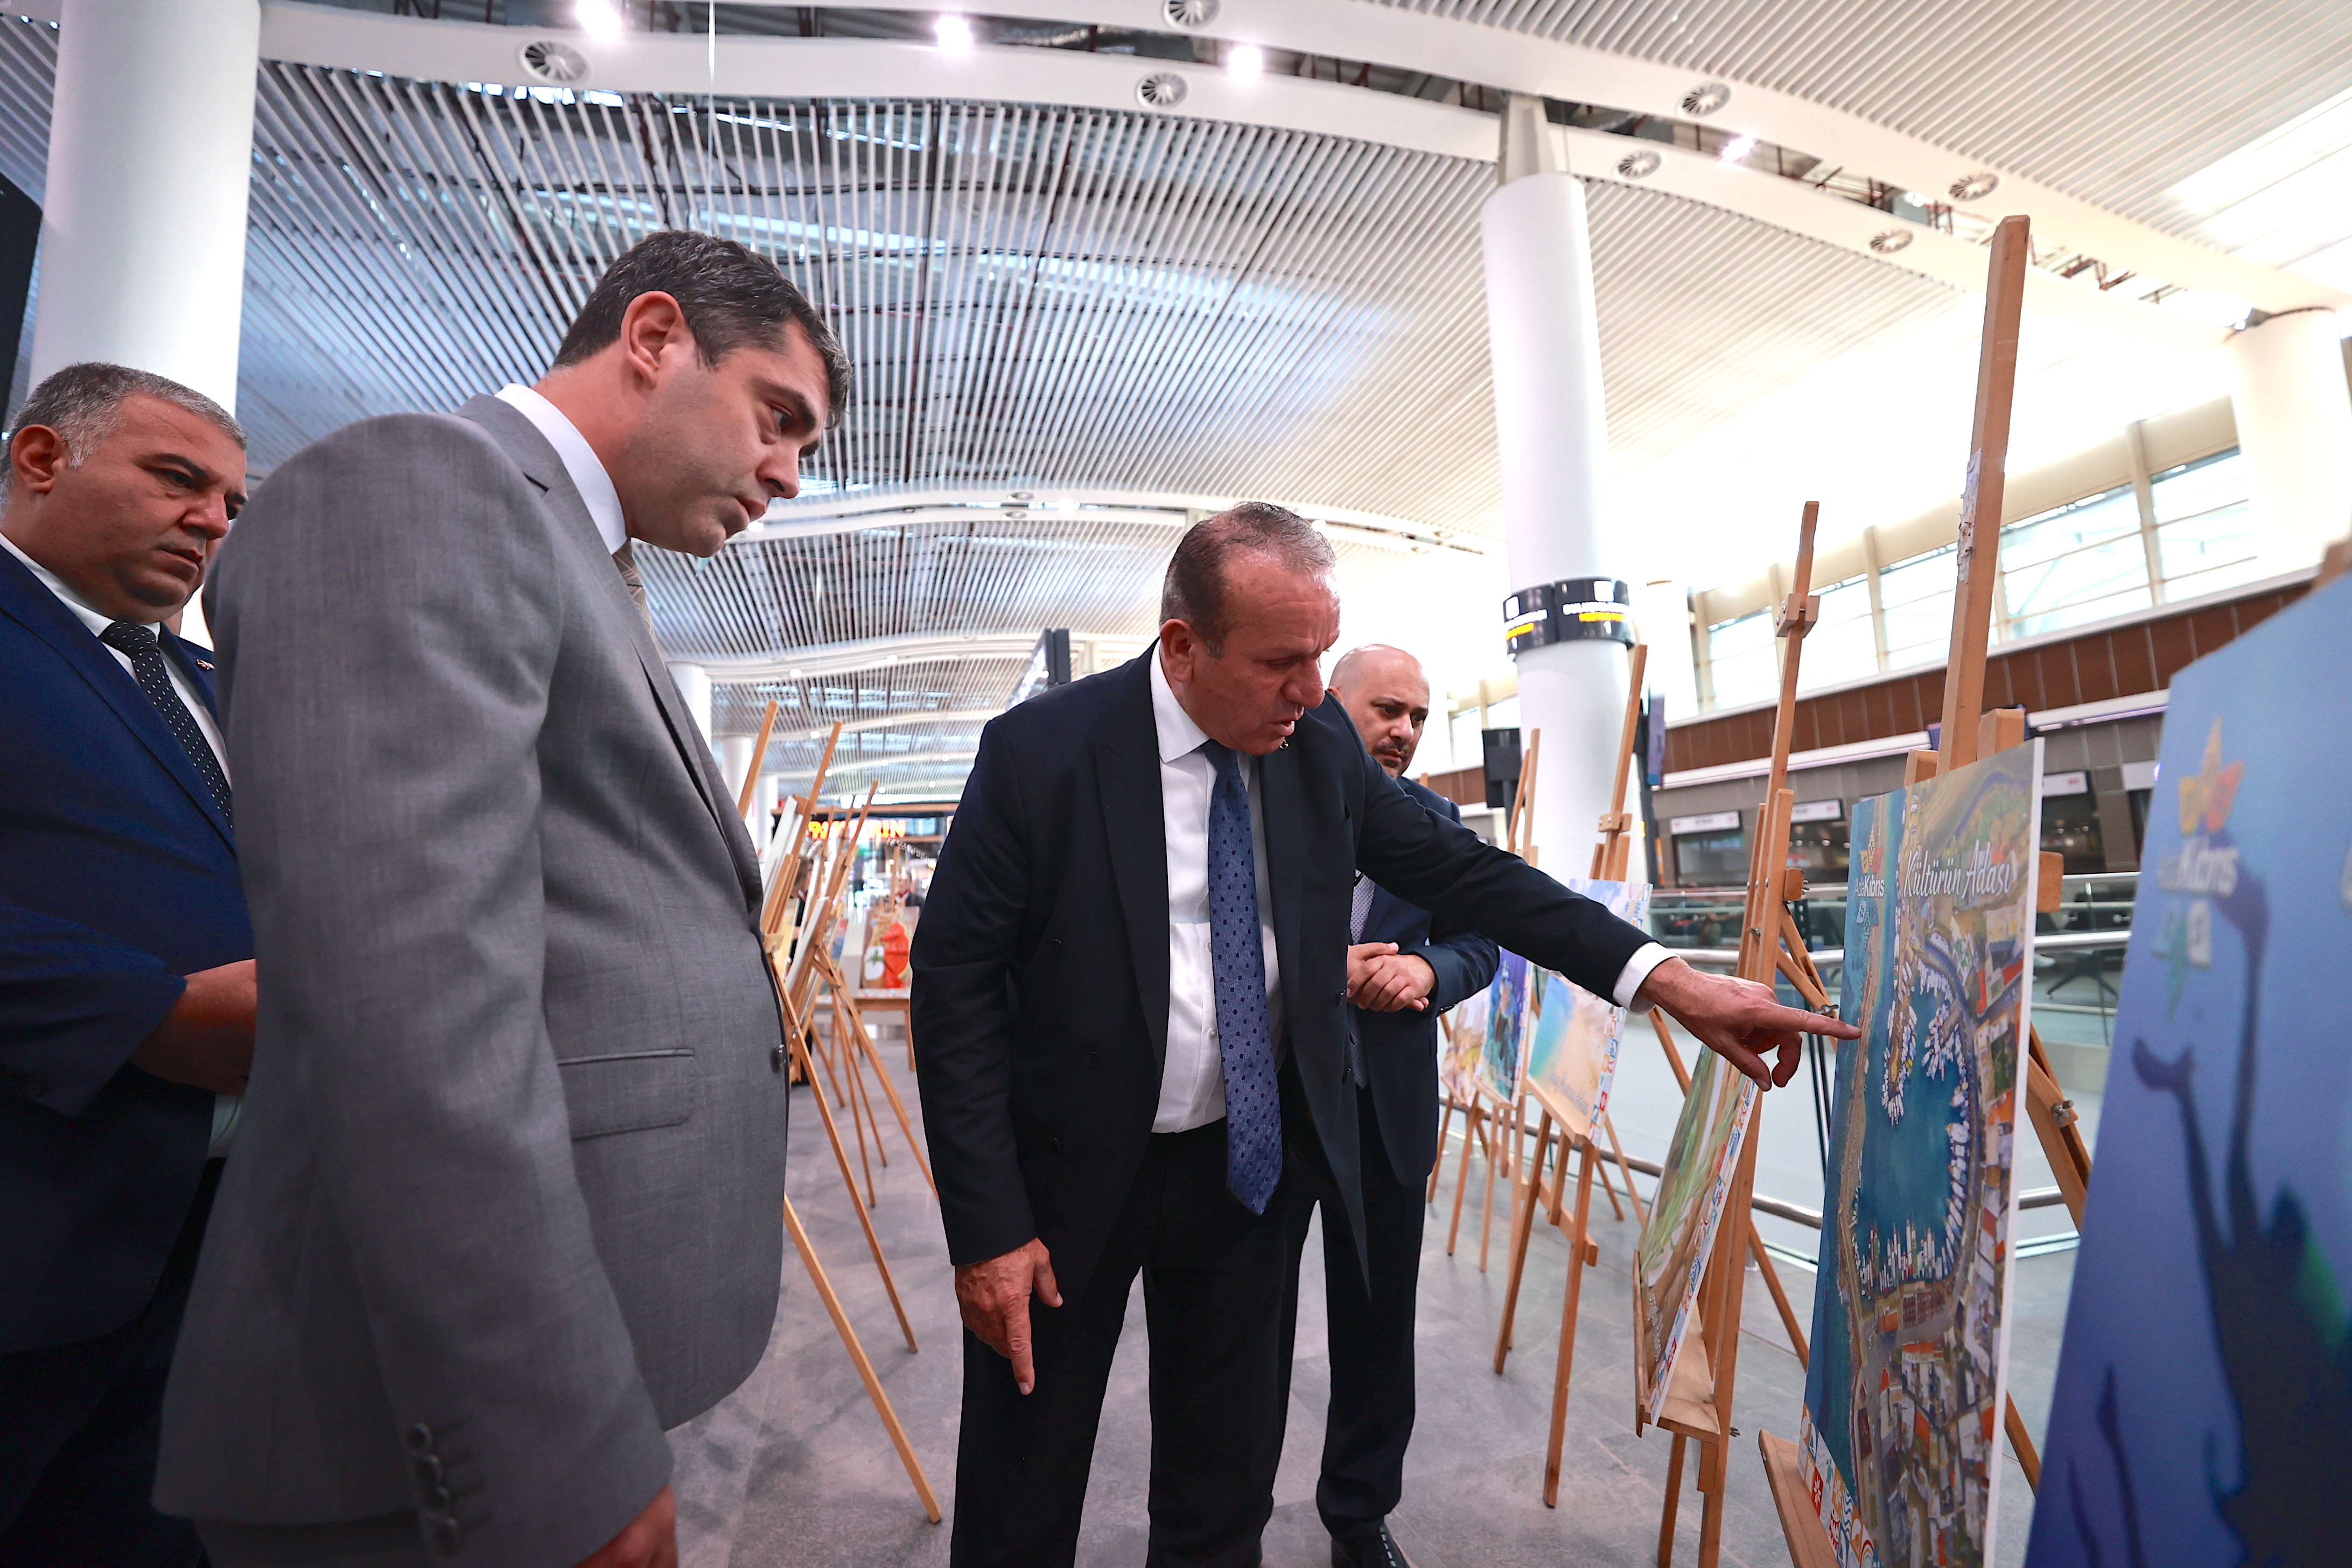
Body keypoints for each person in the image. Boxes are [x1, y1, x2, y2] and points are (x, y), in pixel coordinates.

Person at [911, 503, 1858, 1567]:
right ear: (1182, 647)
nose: (1312, 690)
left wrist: (1667, 980)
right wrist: (987, 1228)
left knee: (1222, 1492)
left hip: (1242, 1174)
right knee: (1025, 1485)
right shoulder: (1043, 753)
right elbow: (954, 987)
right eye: (1282, 662)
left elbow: (1473, 878)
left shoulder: (1314, 745)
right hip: (1065, 1181)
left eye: (1322, 656)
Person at [153, 230, 849, 1568]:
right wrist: (549, 1445)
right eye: (779, 418)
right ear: (656, 337)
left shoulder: (569, 549)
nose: (787, 475)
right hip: (406, 1421)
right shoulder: (420, 483)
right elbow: (412, 1005)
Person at [0, 363, 252, 1567]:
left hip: (219, 1242)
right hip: (36, 1227)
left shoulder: (212, 682)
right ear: (43, 458)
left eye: (231, 504)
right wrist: (146, 1012)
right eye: (178, 479)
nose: (213, 520)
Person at [1284, 643, 1496, 1568]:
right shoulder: (1270, 804)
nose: (1404, 731)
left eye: (1418, 716)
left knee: (1377, 1327)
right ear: (1332, 706)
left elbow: (1481, 941)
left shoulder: (1437, 824)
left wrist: (1429, 970)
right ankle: (1224, 1508)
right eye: (1386, 710)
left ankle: (1358, 1517)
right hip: (1273, 1102)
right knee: (1245, 1318)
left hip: (1387, 1107)